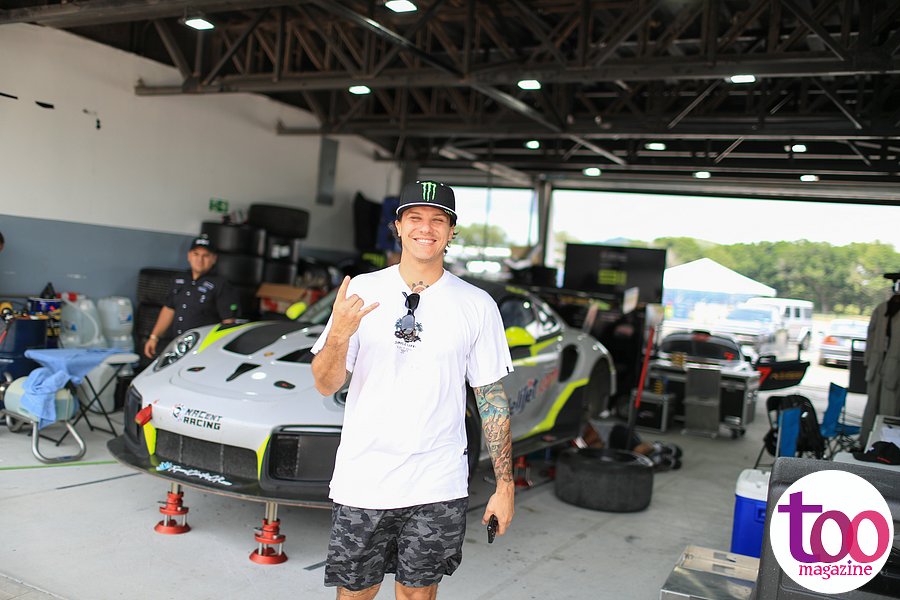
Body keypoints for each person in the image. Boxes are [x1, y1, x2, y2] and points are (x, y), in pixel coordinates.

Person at [311, 180, 515, 600]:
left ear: (452, 231)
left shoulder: (477, 304)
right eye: (416, 218)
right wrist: (338, 336)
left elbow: (491, 399)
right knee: (356, 593)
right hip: (364, 477)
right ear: (399, 226)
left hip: (437, 481)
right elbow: (325, 383)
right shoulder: (362, 290)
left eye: (438, 220)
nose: (426, 228)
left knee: (417, 594)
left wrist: (505, 485)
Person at [143, 235, 239, 358]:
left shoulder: (221, 285)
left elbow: (228, 322)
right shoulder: (179, 279)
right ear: (189, 256)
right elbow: (169, 309)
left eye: (205, 256)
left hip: (203, 349)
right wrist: (154, 337)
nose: (200, 260)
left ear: (214, 259)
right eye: (196, 254)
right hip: (178, 345)